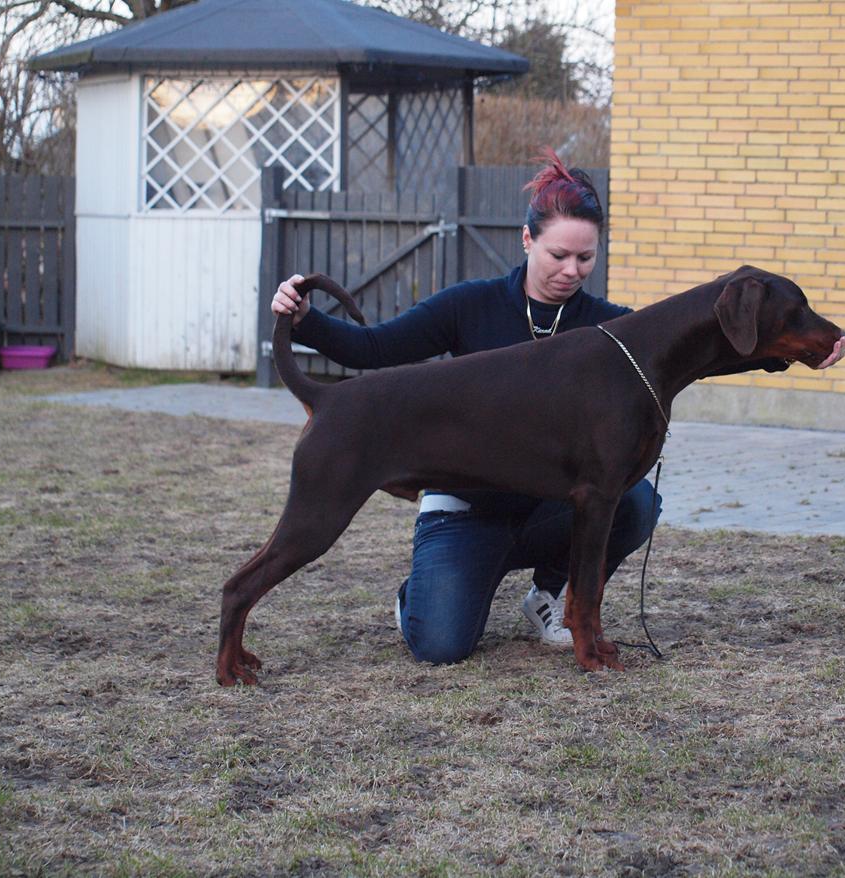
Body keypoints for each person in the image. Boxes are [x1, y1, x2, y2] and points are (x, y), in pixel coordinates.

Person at [271, 150, 661, 665]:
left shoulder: (608, 329)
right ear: (527, 240)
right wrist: (304, 320)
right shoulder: (469, 305)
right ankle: (425, 593)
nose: (571, 270)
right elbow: (374, 349)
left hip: (552, 507)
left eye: (585, 259)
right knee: (440, 645)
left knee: (634, 502)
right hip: (465, 510)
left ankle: (550, 594)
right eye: (558, 255)